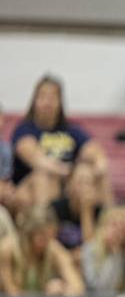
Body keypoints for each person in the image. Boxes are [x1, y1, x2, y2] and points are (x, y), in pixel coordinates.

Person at [11, 75, 107, 205]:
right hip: (32, 187)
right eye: (43, 97)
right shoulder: (24, 130)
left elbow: (97, 154)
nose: (47, 102)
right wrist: (69, 172)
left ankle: (106, 218)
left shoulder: (71, 129)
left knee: (90, 174)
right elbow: (37, 160)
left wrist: (91, 170)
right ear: (34, 101)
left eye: (52, 97)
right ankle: (45, 222)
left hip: (70, 185)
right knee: (44, 177)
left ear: (60, 102)